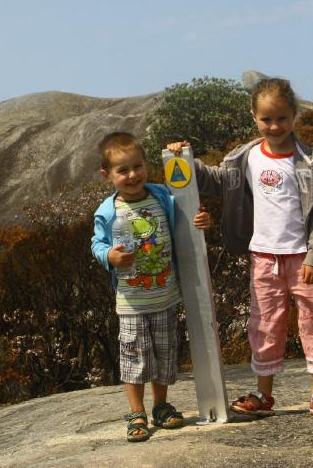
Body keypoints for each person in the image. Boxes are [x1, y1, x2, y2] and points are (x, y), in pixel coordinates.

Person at [167, 77, 313, 419]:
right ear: (254, 117)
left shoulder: (307, 161)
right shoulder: (246, 158)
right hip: (263, 256)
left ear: (294, 115)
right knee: (264, 323)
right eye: (266, 119)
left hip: (301, 257)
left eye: (281, 117)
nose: (274, 125)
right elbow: (217, 181)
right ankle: (264, 396)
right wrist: (185, 158)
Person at [91, 131, 212, 442]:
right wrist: (110, 256)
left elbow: (188, 211)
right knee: (133, 356)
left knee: (164, 353)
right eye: (123, 170)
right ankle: (136, 412)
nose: (133, 175)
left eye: (137, 166)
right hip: (131, 301)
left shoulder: (160, 196)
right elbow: (97, 244)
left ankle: (160, 405)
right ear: (107, 174)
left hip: (165, 295)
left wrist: (178, 154)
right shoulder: (108, 211)